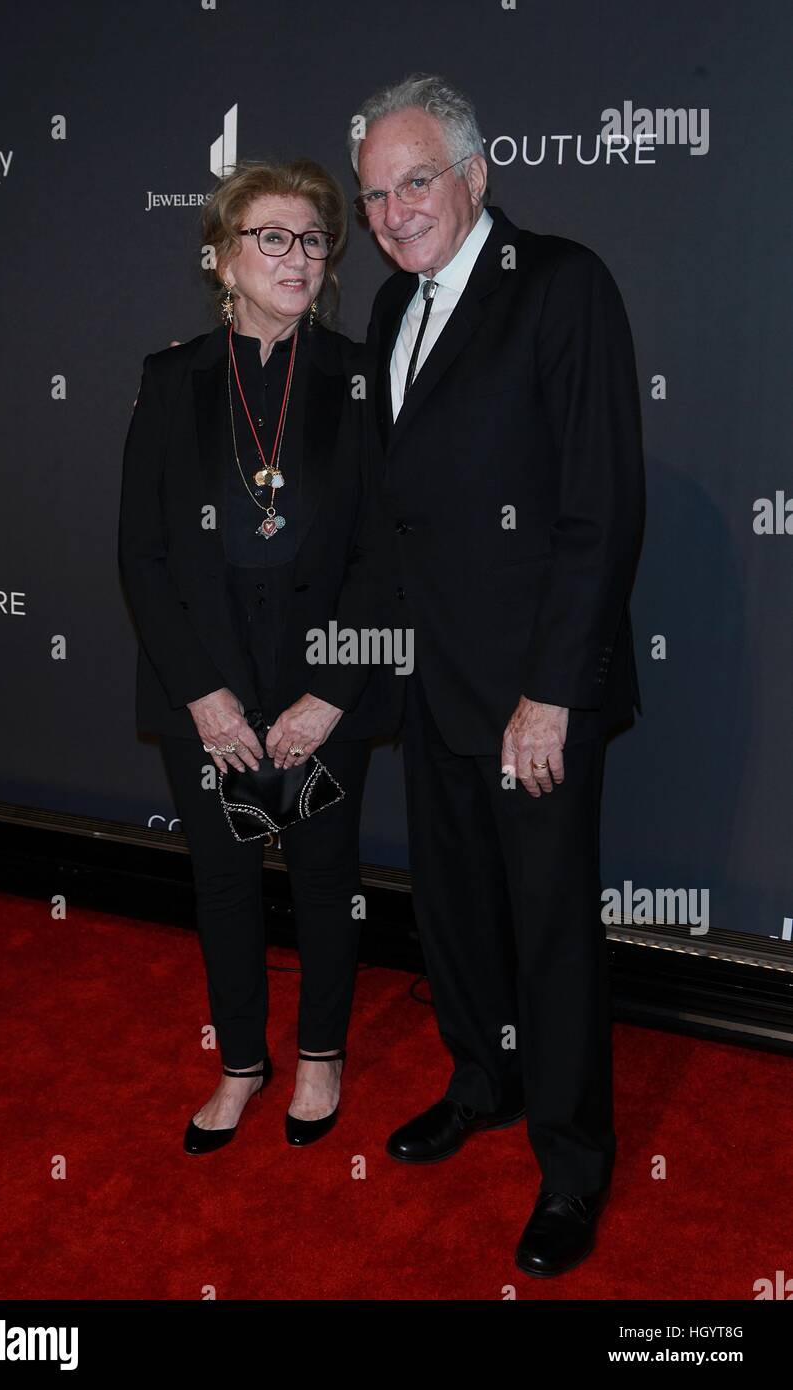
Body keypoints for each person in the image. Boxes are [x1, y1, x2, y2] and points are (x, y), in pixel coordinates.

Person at [349, 74, 645, 1276]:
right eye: (373, 193)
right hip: (433, 682)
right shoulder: (386, 311)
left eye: (414, 180)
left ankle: (573, 1168)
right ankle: (481, 1083)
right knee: (456, 916)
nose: (393, 210)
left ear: (475, 175)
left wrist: (550, 690)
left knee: (552, 934)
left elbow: (599, 508)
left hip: (532, 697)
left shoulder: (560, 286)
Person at [118, 158, 397, 1155]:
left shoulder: (361, 377)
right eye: (270, 236)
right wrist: (203, 697)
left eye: (314, 238)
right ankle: (241, 1063)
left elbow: (385, 551)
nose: (297, 255)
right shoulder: (170, 377)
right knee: (225, 881)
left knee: (325, 874)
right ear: (223, 260)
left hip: (322, 686)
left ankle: (319, 1052)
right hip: (210, 686)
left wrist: (328, 694)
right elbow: (141, 555)